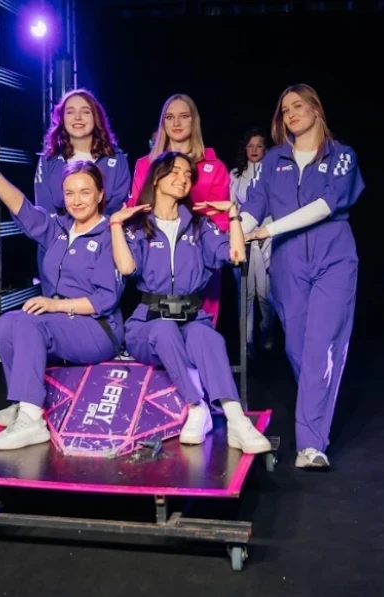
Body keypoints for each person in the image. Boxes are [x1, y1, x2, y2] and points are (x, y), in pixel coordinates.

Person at [0, 134, 125, 451]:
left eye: (85, 192)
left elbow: (105, 300)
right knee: (5, 324)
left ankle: (32, 420)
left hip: (99, 329)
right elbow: (22, 207)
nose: (77, 200)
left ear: (100, 194)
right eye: (70, 193)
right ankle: (23, 403)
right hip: (60, 322)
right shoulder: (56, 227)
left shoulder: (109, 234)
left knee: (30, 321)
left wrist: (54, 305)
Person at [110, 152, 271, 453]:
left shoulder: (200, 225)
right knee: (164, 329)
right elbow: (127, 268)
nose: (183, 178)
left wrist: (233, 214)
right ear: (156, 178)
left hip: (191, 316)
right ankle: (196, 408)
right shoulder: (138, 226)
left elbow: (236, 255)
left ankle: (237, 421)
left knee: (207, 337)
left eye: (188, 175)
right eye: (175, 172)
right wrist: (116, 225)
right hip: (147, 323)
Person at [240, 84, 365, 469]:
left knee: (319, 348)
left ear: (315, 109)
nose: (291, 113)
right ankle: (318, 405)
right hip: (288, 261)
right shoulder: (273, 160)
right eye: (285, 109)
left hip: (333, 255)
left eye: (298, 106)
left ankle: (311, 445)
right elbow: (255, 205)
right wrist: (237, 233)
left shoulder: (341, 155)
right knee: (297, 348)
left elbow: (327, 204)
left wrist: (269, 230)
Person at [126, 94, 232, 325]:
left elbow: (220, 220)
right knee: (160, 332)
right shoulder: (145, 164)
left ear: (194, 121)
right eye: (169, 117)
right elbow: (138, 209)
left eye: (183, 116)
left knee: (201, 332)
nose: (176, 123)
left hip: (201, 259)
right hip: (157, 257)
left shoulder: (214, 166)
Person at [34, 89, 130, 216]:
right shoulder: (48, 159)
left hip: (107, 228)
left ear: (96, 117)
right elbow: (44, 212)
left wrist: (95, 227)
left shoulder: (117, 158)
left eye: (85, 112)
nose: (77, 117)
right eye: (70, 112)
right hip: (58, 229)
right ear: (62, 119)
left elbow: (117, 208)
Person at [230, 128, 274, 357]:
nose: (254, 150)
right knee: (244, 293)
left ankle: (266, 330)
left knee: (265, 294)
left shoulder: (273, 172)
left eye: (259, 145)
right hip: (243, 238)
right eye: (250, 145)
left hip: (267, 238)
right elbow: (230, 208)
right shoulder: (235, 175)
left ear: (266, 149)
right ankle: (246, 342)